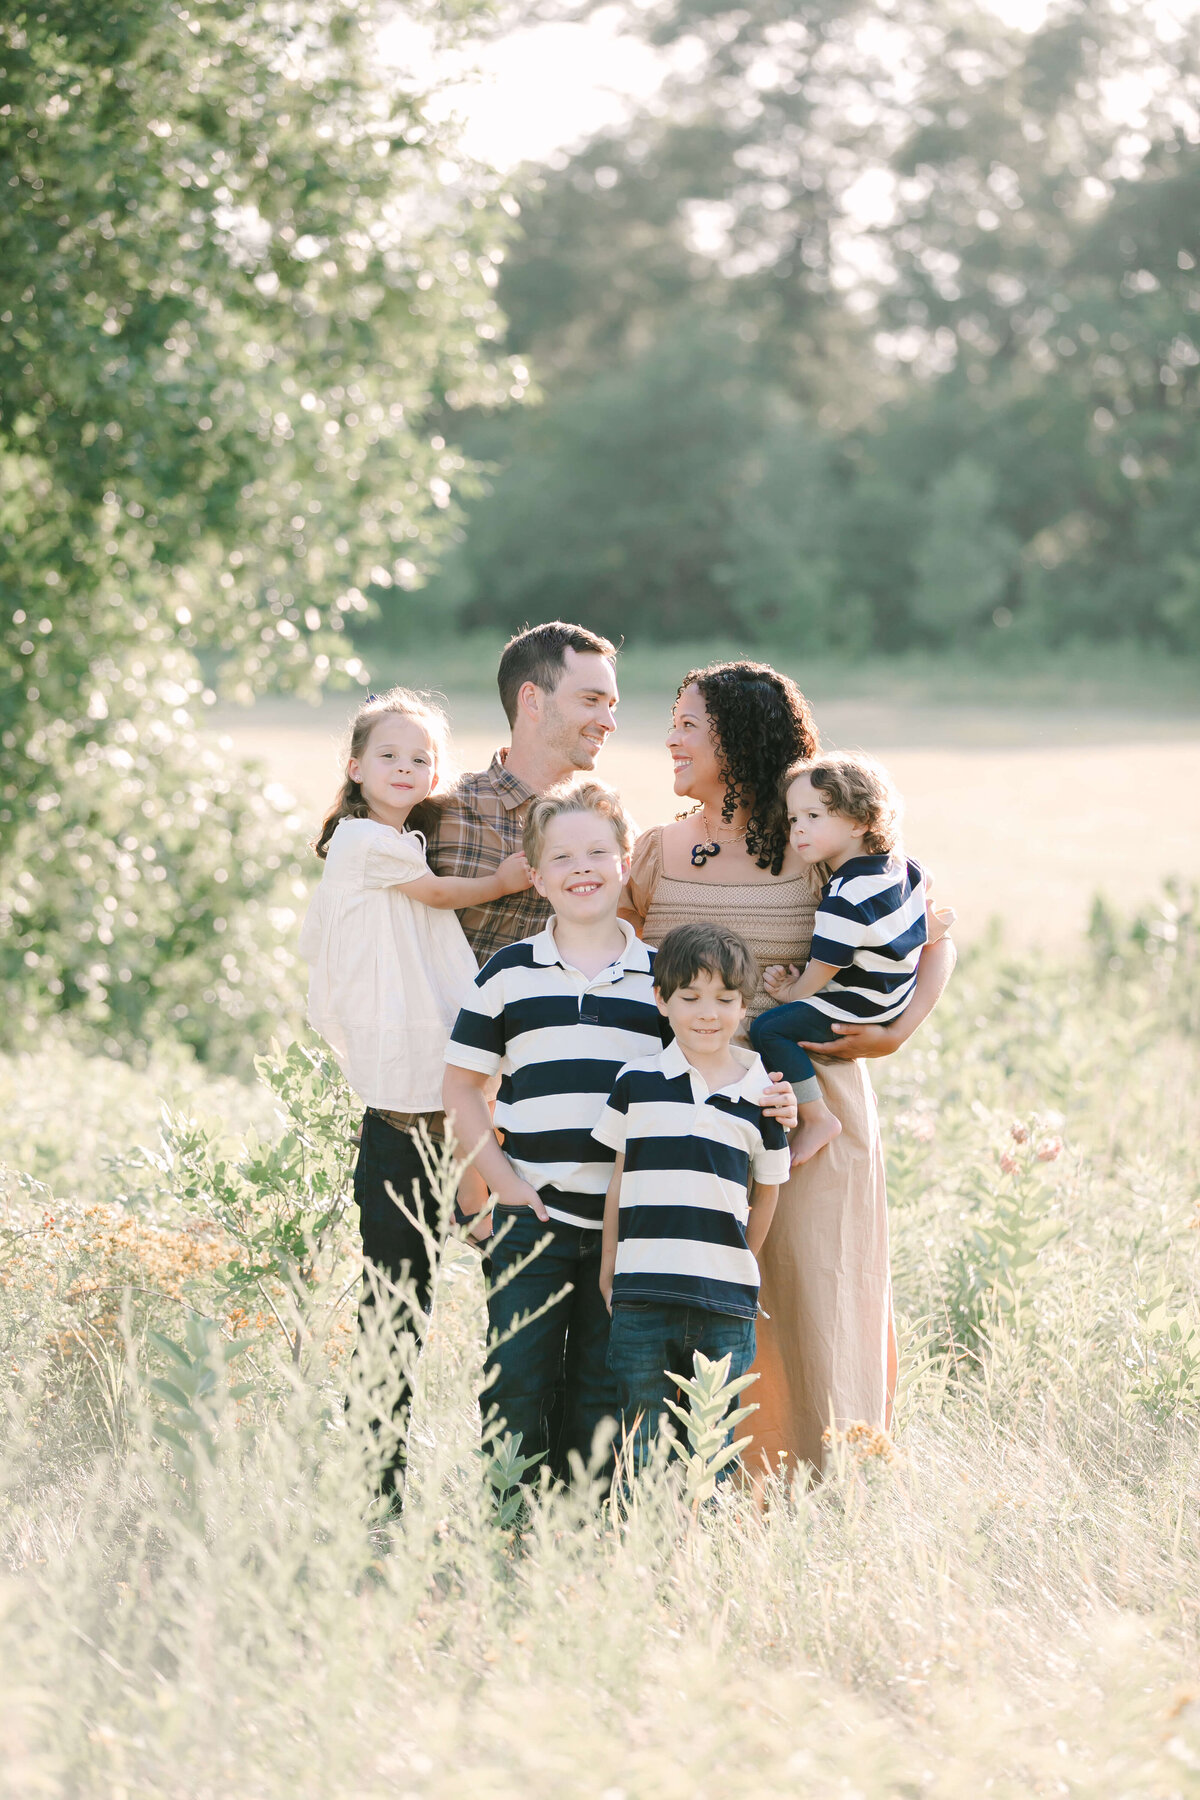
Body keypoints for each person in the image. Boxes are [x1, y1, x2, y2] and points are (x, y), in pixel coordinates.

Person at [619, 661, 957, 1476]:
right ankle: (702, 1497)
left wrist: (897, 1030)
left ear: (736, 740)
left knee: (815, 1293)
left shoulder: (817, 842)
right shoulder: (658, 849)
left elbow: (935, 932)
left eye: (689, 724)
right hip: (685, 1109)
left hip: (811, 1094)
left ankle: (830, 1497)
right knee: (695, 1300)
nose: (670, 737)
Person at [299, 687, 530, 1497]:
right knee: (396, 1293)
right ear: (355, 769)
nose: (406, 767)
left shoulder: (395, 839)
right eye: (389, 755)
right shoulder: (368, 842)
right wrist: (503, 878)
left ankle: (480, 1217)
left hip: (433, 1080)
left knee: (415, 1275)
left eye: (421, 758)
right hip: (409, 1082)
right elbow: (438, 897)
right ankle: (375, 1474)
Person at [441, 783, 665, 1483]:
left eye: (598, 851)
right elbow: (461, 1088)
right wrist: (499, 1188)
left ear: (625, 862)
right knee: (517, 1380)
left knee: (604, 1386)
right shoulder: (509, 973)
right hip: (529, 1214)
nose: (582, 867)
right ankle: (509, 1523)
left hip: (622, 1224)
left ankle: (580, 1531)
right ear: (536, 877)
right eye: (562, 857)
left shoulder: (660, 978)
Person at [596, 922, 791, 1476]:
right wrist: (610, 1264)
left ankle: (699, 1555)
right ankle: (639, 1550)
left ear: (743, 1006)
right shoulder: (637, 1081)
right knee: (641, 1437)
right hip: (642, 1291)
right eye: (690, 997)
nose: (708, 1013)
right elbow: (619, 1177)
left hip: (724, 1302)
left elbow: (769, 1189)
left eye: (725, 1000)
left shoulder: (764, 1095)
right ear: (661, 1000)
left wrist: (743, 1261)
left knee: (710, 1447)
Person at [749, 753, 928, 1168]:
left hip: (864, 1004)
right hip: (895, 993)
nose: (799, 830)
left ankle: (816, 1118)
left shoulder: (844, 896)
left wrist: (790, 991)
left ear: (861, 821)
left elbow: (822, 971)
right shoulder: (901, 866)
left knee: (770, 1029)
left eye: (814, 815)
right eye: (794, 819)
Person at [423, 620, 622, 967]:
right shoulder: (440, 810)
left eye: (611, 705)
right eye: (591, 700)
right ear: (532, 699)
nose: (609, 721)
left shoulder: (607, 827)